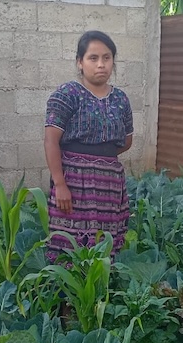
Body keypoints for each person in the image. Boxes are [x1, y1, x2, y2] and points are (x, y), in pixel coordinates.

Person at [43, 30, 134, 263]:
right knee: (69, 242)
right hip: (73, 183)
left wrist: (102, 160)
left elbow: (126, 141)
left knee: (105, 243)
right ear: (80, 63)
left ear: (113, 62)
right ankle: (65, 295)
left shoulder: (121, 99)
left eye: (107, 57)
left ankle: (101, 292)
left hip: (110, 186)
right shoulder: (67, 95)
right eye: (93, 58)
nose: (101, 64)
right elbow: (51, 141)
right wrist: (60, 183)